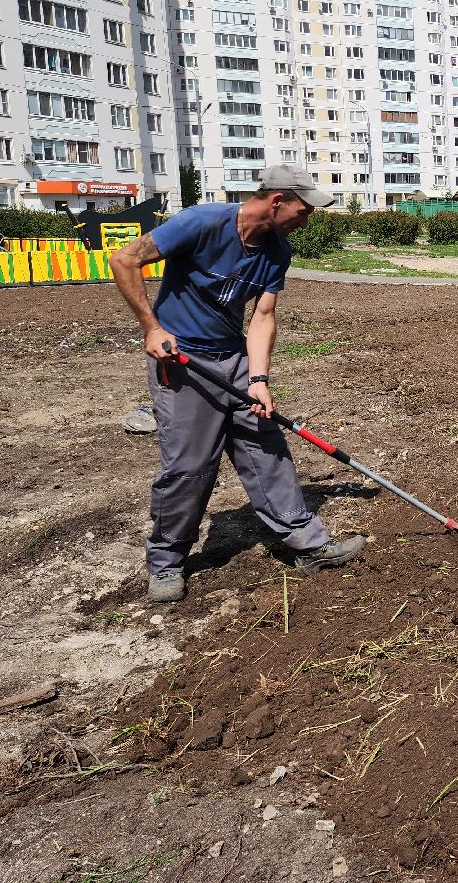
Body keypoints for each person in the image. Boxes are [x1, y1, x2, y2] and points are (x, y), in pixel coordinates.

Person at [110, 165, 366, 603]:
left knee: (266, 446)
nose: (306, 221)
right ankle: (167, 561)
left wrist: (259, 379)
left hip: (234, 359)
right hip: (183, 362)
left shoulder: (277, 251)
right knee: (189, 465)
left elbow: (263, 316)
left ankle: (308, 545)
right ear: (278, 200)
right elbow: (124, 259)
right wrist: (152, 328)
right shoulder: (202, 222)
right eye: (304, 211)